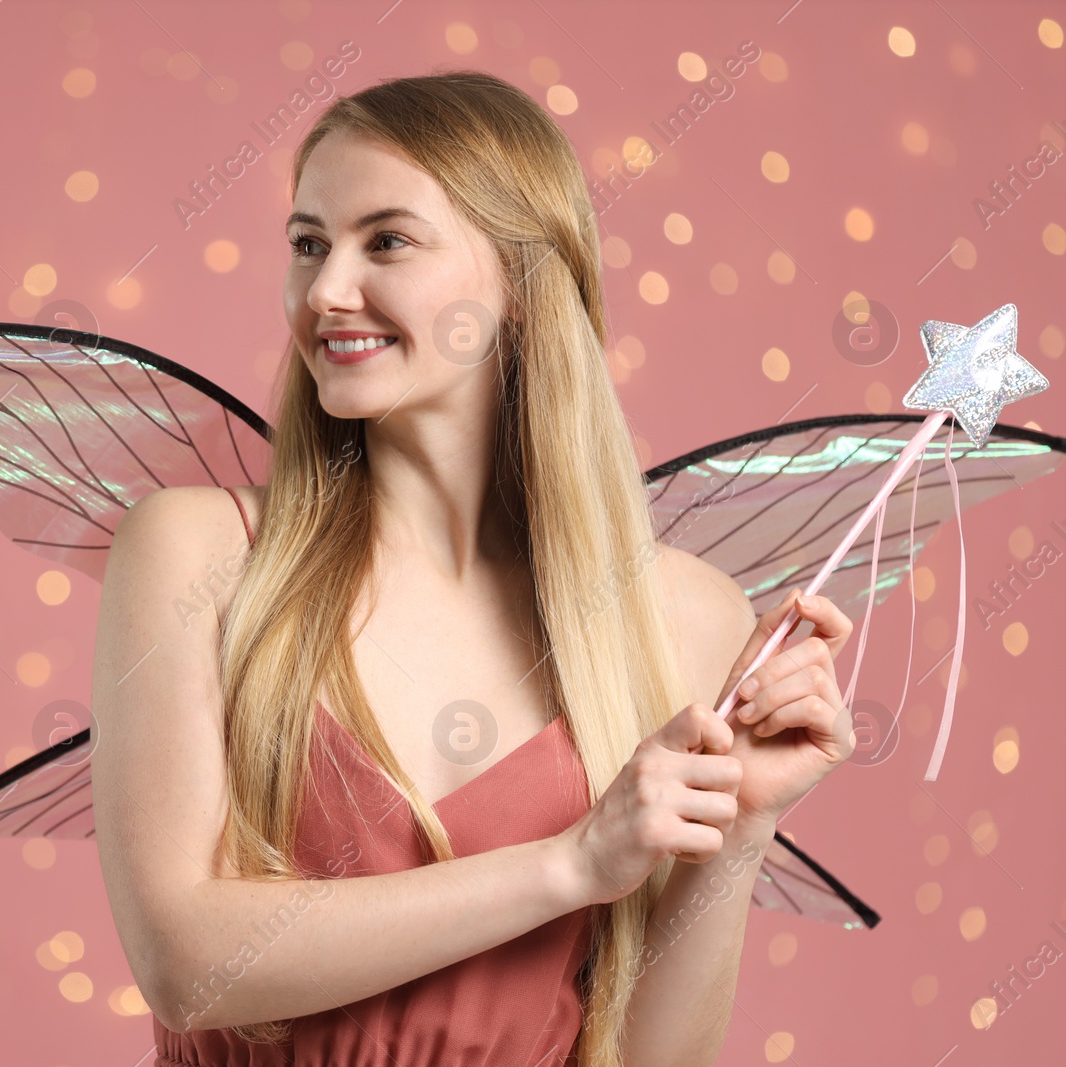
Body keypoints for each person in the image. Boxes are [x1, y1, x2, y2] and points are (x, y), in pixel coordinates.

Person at [90, 70, 855, 1067]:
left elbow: (651, 1055)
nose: (325, 291)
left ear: (522, 281)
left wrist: (743, 823)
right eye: (309, 242)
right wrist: (571, 863)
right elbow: (184, 965)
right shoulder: (200, 555)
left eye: (387, 241)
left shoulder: (684, 616)